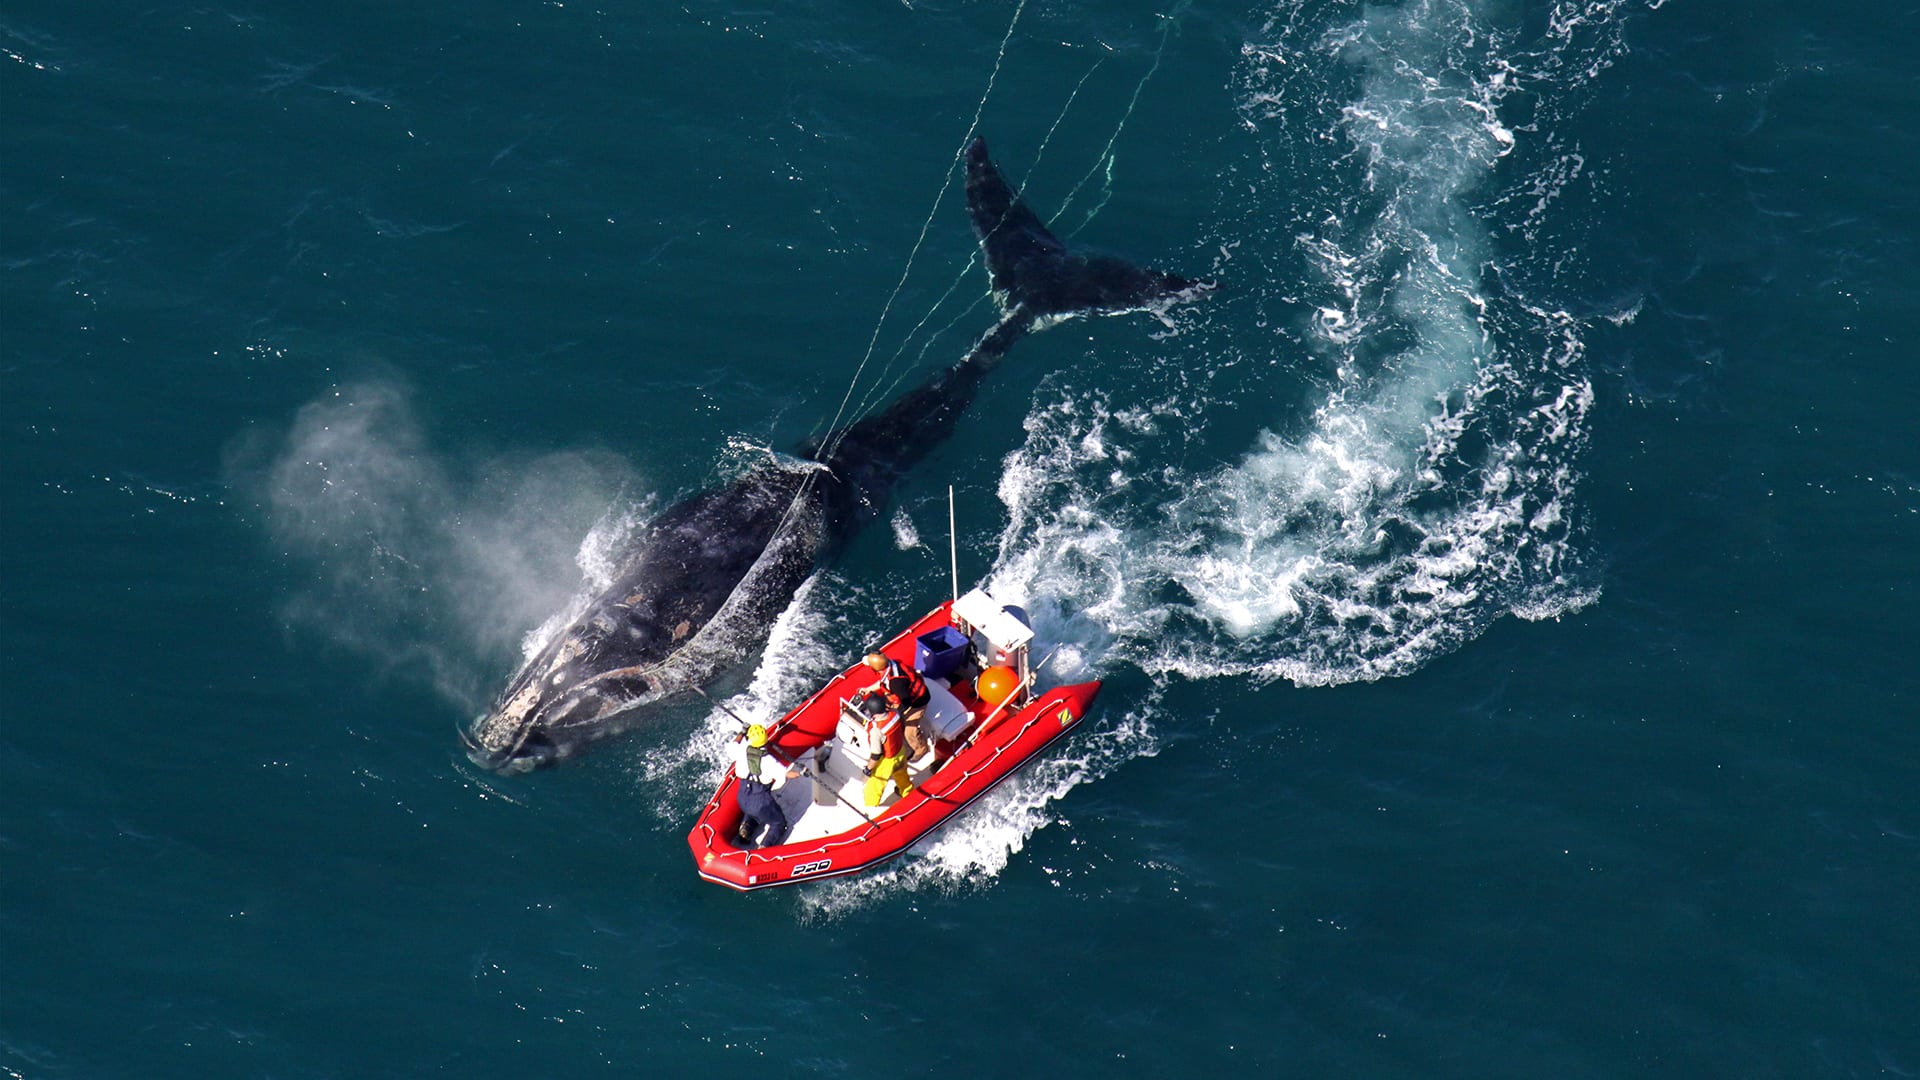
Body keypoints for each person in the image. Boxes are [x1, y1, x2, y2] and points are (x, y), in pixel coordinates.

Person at [731, 724, 798, 848]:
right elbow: (787, 774)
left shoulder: (740, 750)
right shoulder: (768, 760)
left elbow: (734, 744)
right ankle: (765, 847)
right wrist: (802, 772)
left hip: (742, 796)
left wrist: (742, 732)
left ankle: (746, 829)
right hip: (760, 800)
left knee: (752, 812)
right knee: (778, 823)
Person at [857, 652, 932, 761]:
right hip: (903, 696)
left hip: (917, 702)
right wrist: (868, 689)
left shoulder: (896, 683)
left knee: (909, 730)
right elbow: (883, 682)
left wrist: (893, 715)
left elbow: (905, 702)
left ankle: (921, 749)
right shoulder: (891, 665)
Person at [860, 696, 915, 807]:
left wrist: (868, 769)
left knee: (874, 786)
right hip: (899, 752)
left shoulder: (876, 730)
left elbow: (876, 755)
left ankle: (870, 807)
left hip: (887, 761)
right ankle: (908, 795)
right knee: (902, 776)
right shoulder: (894, 714)